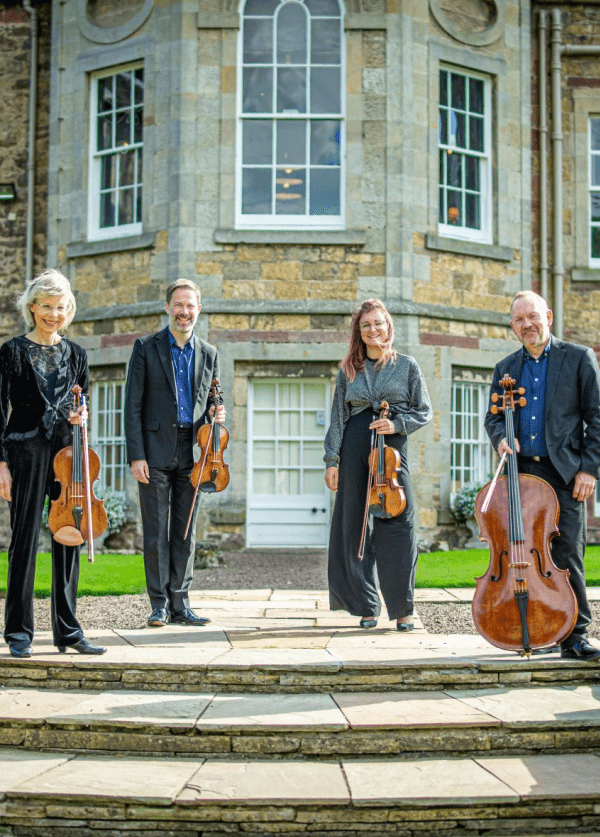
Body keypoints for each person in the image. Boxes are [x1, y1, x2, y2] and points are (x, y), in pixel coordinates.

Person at [485, 290, 600, 660]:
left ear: (548, 316)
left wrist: (589, 469)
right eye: (519, 319)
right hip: (522, 474)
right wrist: (501, 438)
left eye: (532, 316)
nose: (527, 325)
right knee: (526, 552)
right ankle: (538, 626)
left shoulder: (578, 357)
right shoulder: (506, 368)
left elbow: (597, 417)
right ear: (512, 326)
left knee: (567, 553)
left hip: (565, 472)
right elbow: (492, 418)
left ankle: (576, 635)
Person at [0, 269, 106, 658]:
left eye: (60, 307)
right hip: (24, 452)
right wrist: (1, 464)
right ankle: (18, 632)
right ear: (32, 307)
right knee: (24, 539)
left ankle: (69, 631)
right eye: (46, 306)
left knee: (69, 536)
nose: (53, 314)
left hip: (68, 456)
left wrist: (81, 417)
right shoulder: (12, 351)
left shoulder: (77, 354)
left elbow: (83, 405)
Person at [324, 298, 432, 630]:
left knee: (399, 523)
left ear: (388, 326)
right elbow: (338, 417)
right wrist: (332, 460)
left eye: (378, 323)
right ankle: (366, 605)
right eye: (366, 324)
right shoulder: (348, 369)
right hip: (354, 446)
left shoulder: (407, 365)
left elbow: (424, 411)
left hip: (391, 449)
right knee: (354, 526)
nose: (373, 329)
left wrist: (397, 424)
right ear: (359, 331)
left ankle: (402, 609)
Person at [125, 278, 225, 628]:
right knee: (156, 533)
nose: (184, 312)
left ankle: (181, 604)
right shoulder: (145, 347)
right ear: (168, 307)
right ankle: (159, 605)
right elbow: (132, 405)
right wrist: (136, 455)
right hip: (153, 452)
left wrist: (217, 413)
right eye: (178, 305)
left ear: (199, 309)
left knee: (185, 532)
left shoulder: (209, 353)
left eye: (190, 306)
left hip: (194, 453)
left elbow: (212, 400)